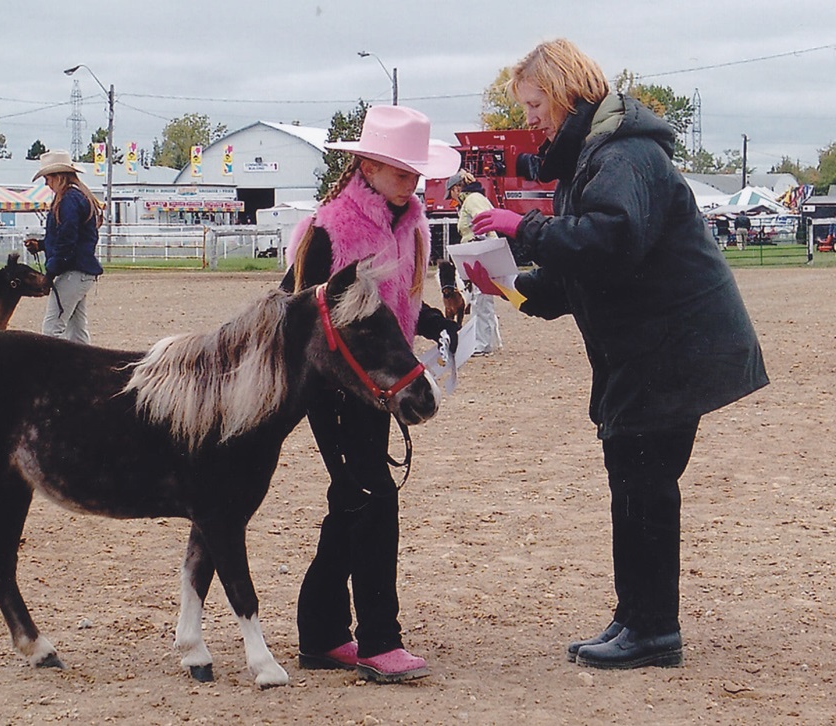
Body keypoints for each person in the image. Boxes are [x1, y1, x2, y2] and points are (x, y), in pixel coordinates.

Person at [469, 39, 769, 670]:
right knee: (635, 480)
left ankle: (653, 629)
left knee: (642, 483)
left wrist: (519, 229)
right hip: (654, 351)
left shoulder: (623, 157)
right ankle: (636, 617)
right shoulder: (600, 159)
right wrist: (508, 284)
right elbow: (583, 274)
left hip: (668, 350)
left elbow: (610, 242)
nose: (529, 121)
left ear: (565, 91)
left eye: (534, 105)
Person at [281, 105, 460, 683]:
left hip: (380, 381)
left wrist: (430, 320)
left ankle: (322, 630)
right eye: (400, 171)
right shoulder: (330, 229)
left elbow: (395, 307)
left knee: (352, 499)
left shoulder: (410, 223)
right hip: (334, 386)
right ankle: (380, 639)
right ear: (368, 166)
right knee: (374, 497)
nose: (412, 182)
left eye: (416, 172)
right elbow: (296, 308)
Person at [24, 149, 104, 344]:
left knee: (52, 328)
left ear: (58, 177)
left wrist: (49, 274)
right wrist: (42, 245)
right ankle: (84, 370)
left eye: (48, 178)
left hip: (73, 272)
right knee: (76, 329)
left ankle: (53, 372)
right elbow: (70, 238)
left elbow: (67, 241)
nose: (46, 183)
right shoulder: (78, 197)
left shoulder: (68, 200)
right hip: (81, 271)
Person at [444, 170, 503, 354]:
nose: (451, 198)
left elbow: (483, 221)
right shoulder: (473, 199)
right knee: (482, 298)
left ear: (456, 189)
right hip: (479, 250)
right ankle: (489, 340)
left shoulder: (472, 200)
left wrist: (476, 241)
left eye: (451, 193)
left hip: (480, 251)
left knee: (481, 298)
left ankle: (482, 343)